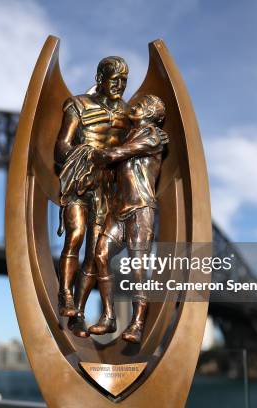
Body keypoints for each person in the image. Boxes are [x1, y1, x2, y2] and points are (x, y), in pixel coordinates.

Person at [54, 56, 130, 337]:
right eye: (115, 80)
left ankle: (80, 316)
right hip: (80, 182)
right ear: (100, 79)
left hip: (106, 189)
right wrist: (85, 155)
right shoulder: (78, 105)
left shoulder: (127, 114)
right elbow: (61, 147)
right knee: (75, 234)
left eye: (124, 81)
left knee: (94, 255)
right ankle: (65, 295)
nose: (120, 86)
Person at [89, 94, 169, 342]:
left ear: (152, 115)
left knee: (137, 268)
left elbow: (117, 155)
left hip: (141, 208)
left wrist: (95, 153)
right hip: (119, 209)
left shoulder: (153, 136)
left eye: (142, 106)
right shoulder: (128, 135)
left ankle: (137, 323)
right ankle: (109, 317)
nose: (135, 106)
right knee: (100, 254)